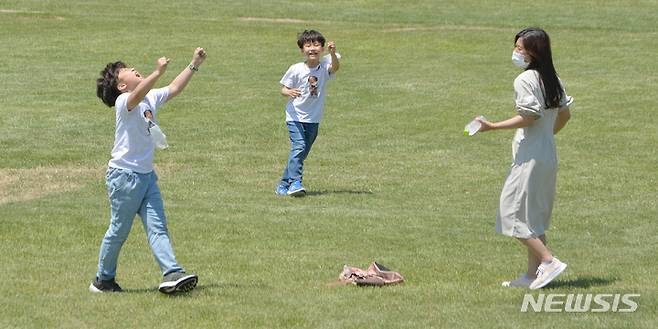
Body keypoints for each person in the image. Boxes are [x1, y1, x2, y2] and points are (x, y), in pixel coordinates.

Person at [92, 47, 207, 294]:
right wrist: (157, 72)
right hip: (124, 178)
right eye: (127, 71)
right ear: (121, 86)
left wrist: (193, 64)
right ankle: (103, 280)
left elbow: (174, 88)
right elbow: (137, 95)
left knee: (158, 226)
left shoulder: (149, 98)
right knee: (118, 231)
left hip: (146, 177)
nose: (134, 69)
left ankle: (171, 272)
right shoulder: (125, 102)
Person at [476, 28, 573, 289]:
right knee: (533, 218)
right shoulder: (552, 78)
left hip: (529, 157)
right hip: (547, 154)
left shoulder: (525, 80)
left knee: (512, 215)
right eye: (516, 46)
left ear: (534, 52)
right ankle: (531, 276)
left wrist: (492, 126)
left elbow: (529, 117)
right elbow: (565, 115)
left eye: (521, 48)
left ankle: (548, 261)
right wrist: (546, 137)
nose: (516, 52)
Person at [275, 30, 340, 196]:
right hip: (295, 116)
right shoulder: (296, 69)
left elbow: (335, 67)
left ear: (322, 49)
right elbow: (283, 88)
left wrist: (333, 53)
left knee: (301, 153)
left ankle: (284, 183)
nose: (312, 48)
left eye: (316, 45)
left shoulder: (325, 67)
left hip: (314, 118)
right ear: (302, 50)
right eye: (308, 45)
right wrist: (288, 92)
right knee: (299, 147)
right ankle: (296, 183)